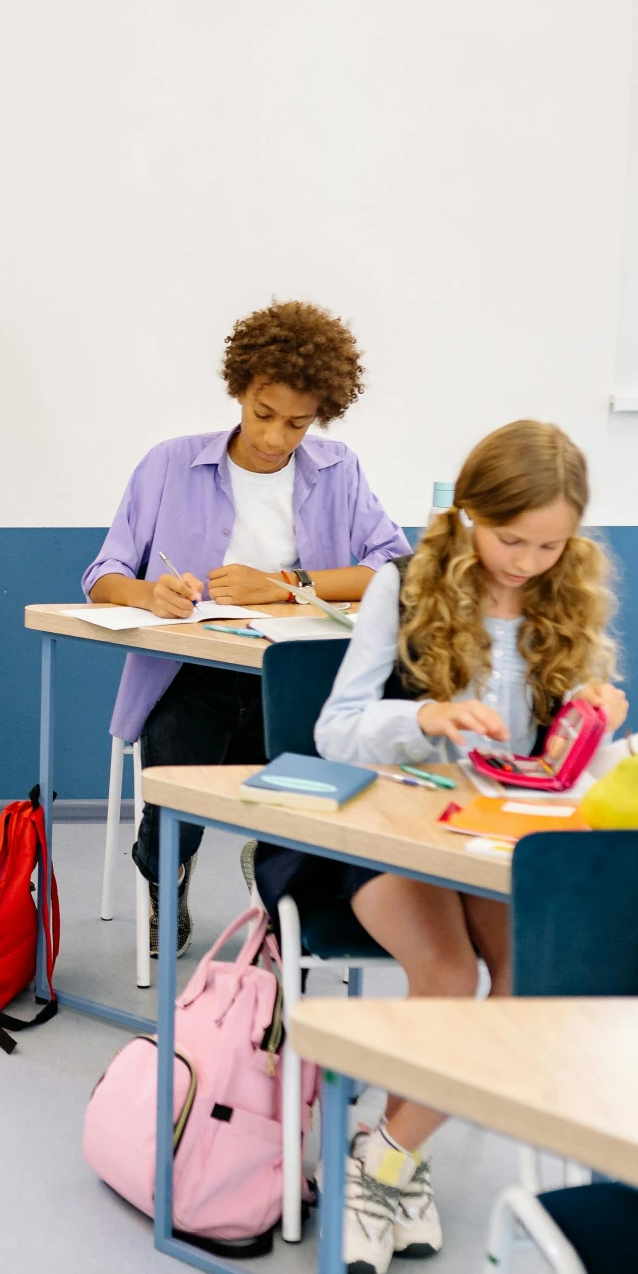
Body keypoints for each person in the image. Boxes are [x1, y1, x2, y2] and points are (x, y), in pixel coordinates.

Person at [278, 419, 627, 1274]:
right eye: (512, 538)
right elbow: (335, 730)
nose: (528, 560)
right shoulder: (402, 585)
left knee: (519, 985)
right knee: (448, 977)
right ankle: (394, 1169)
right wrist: (428, 717)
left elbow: (570, 765)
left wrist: (599, 726)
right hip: (391, 830)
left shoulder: (567, 592)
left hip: (499, 838)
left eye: (552, 543)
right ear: (469, 511)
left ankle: (387, 1156)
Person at [81, 300, 410, 953]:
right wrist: (150, 594)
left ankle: (276, 867)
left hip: (296, 680)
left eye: (298, 423)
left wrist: (290, 585)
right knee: (176, 769)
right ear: (239, 390)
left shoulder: (338, 469)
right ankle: (166, 867)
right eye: (263, 414)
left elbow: (396, 569)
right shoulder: (170, 464)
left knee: (311, 787)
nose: (274, 438)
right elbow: (103, 574)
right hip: (191, 673)